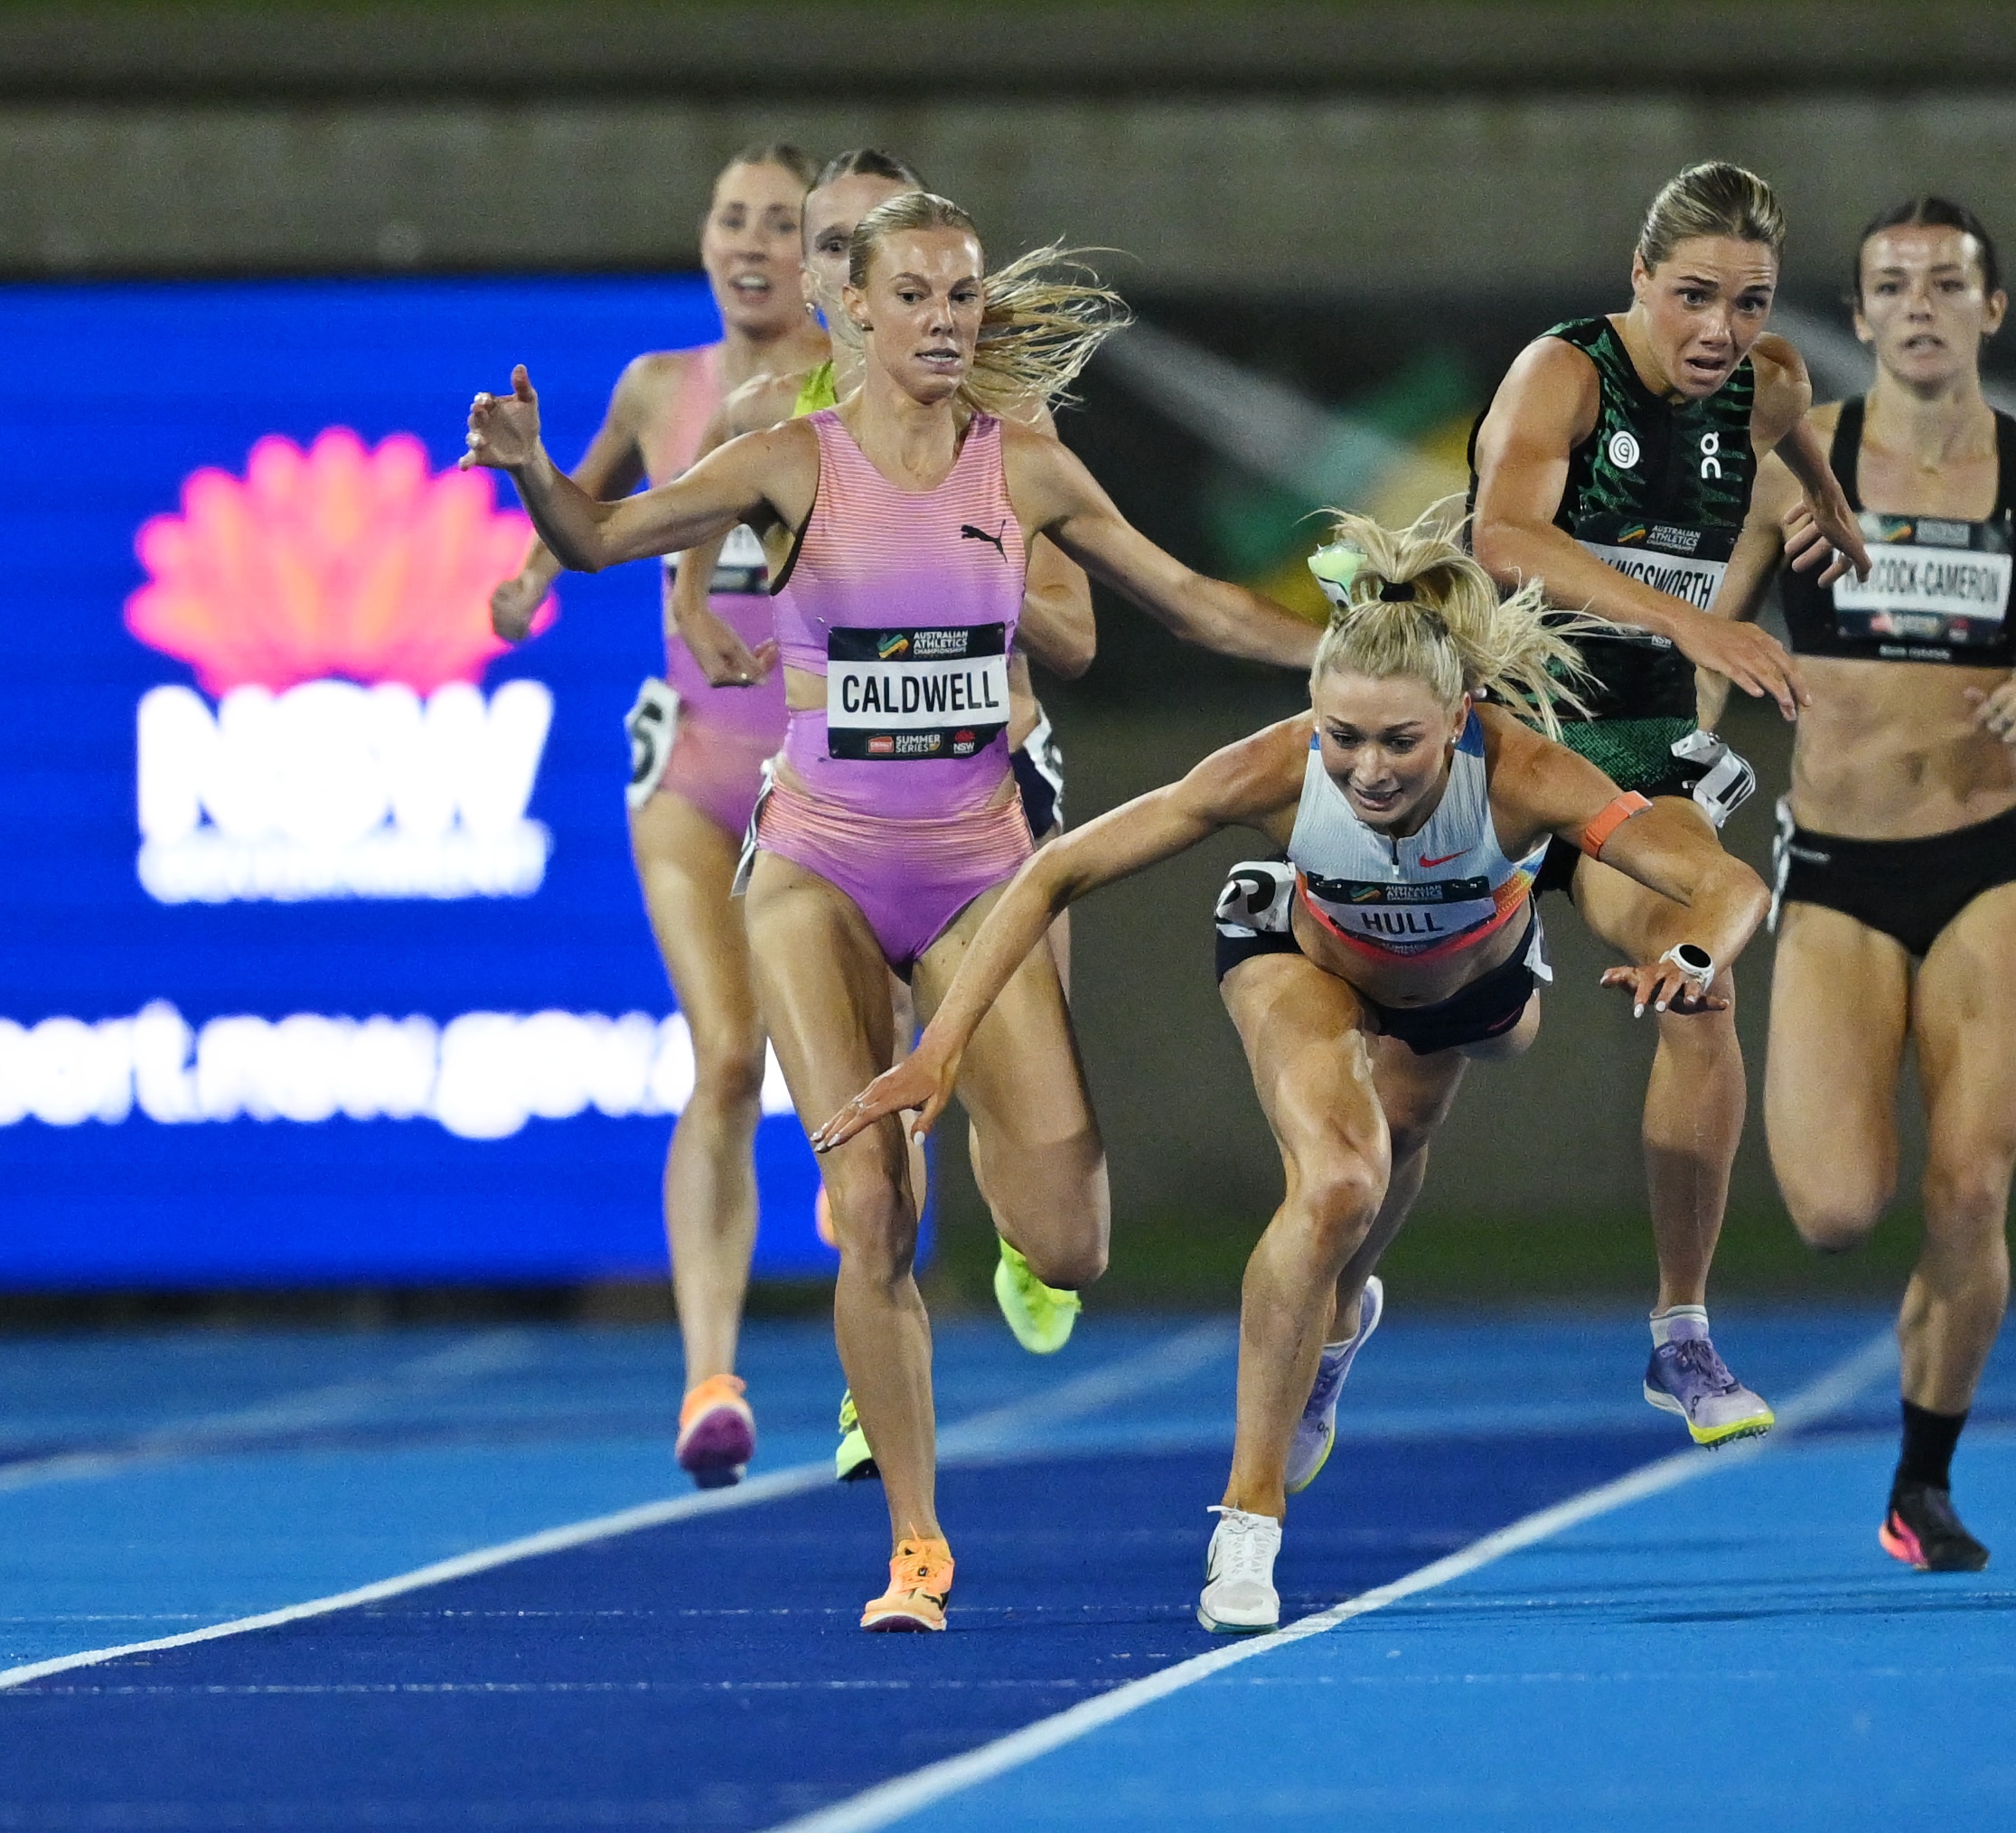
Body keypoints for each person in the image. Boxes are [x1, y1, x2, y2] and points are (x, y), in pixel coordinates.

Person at [462, 188, 1323, 1631]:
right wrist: (533, 473)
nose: (941, 320)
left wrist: (1352, 653)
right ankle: (915, 1544)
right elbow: (600, 538)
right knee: (866, 1209)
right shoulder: (786, 458)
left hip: (981, 871)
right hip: (817, 871)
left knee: (1070, 1244)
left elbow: (1193, 604)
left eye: (961, 295)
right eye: (912, 295)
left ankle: (986, 1171)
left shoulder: (1023, 468)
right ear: (850, 309)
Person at [811, 509, 1775, 1635]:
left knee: (1395, 1151)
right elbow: (1052, 872)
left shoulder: (1525, 773)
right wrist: (938, 1048)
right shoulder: (1276, 767)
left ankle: (1340, 1324)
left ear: (1460, 716)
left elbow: (1728, 884)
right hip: (1303, 959)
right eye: (1343, 736)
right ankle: (1247, 1523)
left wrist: (1693, 959)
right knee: (1336, 1180)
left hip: (1465, 988)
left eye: (1399, 743)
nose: (1367, 770)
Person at [1715, 198, 2016, 1572]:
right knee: (1834, 1210)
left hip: (1990, 865)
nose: (1920, 304)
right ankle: (1917, 1431)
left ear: (1991, 309)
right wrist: (1679, 788)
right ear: (1858, 316)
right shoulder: (1791, 468)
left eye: (1946, 283)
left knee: (1970, 1191)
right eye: (1893, 284)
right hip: (1836, 870)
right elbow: (1698, 643)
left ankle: (1924, 1479)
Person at [670, 152, 1099, 1469]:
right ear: (836, 287)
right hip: (836, 797)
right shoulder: (768, 419)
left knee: (1017, 1116)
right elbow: (689, 560)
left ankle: (1022, 1229)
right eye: (837, 245)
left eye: (928, 271)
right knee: (859, 1099)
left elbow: (1077, 623)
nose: (911, 298)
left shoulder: (1001, 421)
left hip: (994, 779)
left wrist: (966, 566)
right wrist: (698, 615)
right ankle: (872, 1365)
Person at [1467, 161, 1869, 1447]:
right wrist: (1689, 621)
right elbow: (1501, 540)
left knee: (1705, 982)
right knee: (1418, 1077)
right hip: (1501, 745)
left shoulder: (1769, 381)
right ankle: (1333, 1314)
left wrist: (1829, 507)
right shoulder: (1565, 374)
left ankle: (1680, 1335)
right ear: (1638, 278)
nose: (1719, 330)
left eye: (1748, 302)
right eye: (1692, 296)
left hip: (1635, 751)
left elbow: (1791, 427)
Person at [483, 143, 827, 1490]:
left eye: (782, 224)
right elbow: (588, 505)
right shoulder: (652, 384)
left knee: (856, 1068)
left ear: (823, 254)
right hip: (689, 759)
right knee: (729, 1059)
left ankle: (880, 1224)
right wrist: (528, 577)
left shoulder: (847, 384)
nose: (752, 244)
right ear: (703, 237)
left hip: (830, 768)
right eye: (734, 218)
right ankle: (709, 1377)